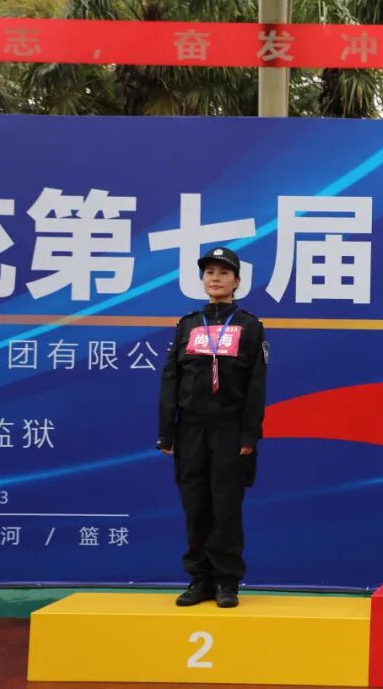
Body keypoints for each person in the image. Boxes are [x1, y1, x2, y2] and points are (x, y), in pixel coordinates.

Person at [157, 247, 268, 609]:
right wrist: (167, 431)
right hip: (190, 429)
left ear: (237, 281)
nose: (215, 279)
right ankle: (199, 579)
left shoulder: (249, 326)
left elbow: (256, 384)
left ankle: (226, 581)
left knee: (226, 506)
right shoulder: (188, 324)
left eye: (223, 273)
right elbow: (171, 378)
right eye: (209, 273)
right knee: (195, 504)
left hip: (229, 430)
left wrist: (249, 434)